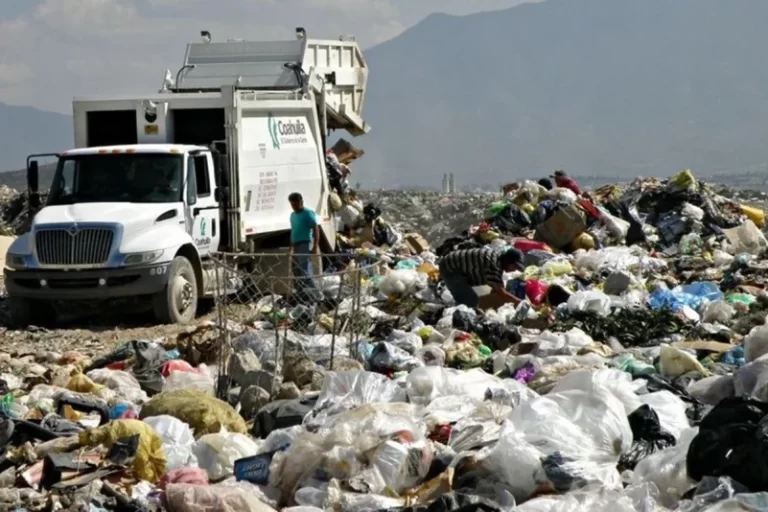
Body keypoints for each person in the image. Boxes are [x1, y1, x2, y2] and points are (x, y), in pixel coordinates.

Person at [439, 247, 525, 308]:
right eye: (514, 266)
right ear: (507, 261)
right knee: (469, 302)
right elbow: (501, 292)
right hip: (450, 268)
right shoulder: (494, 265)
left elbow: (496, 288)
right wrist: (521, 302)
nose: (514, 270)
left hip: (457, 266)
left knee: (473, 298)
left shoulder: (497, 259)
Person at [288, 192, 320, 298]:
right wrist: (291, 248)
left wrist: (315, 246)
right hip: (296, 245)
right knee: (296, 272)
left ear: (301, 202)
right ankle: (300, 295)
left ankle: (316, 295)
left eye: (296, 204)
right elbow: (293, 231)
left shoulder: (308, 213)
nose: (294, 207)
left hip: (305, 243)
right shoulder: (292, 215)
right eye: (292, 205)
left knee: (305, 271)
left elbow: (315, 228)